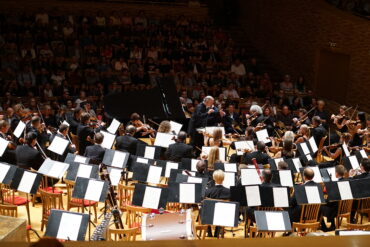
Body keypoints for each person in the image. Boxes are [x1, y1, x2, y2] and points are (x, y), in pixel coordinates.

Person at [320, 165, 348, 232]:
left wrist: (323, 201)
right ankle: (330, 225)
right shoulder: (347, 181)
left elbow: (331, 199)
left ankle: (326, 226)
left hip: (337, 208)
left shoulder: (336, 184)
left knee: (319, 207)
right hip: (346, 206)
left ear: (337, 173)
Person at [204, 169, 230, 237]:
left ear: (213, 178)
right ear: (223, 179)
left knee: (202, 208)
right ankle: (217, 232)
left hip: (210, 215)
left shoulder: (208, 191)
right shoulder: (229, 191)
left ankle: (209, 232)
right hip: (224, 215)